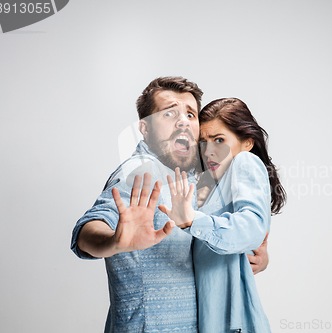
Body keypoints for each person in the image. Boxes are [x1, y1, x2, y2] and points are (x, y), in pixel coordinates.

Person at [70, 77, 268, 332]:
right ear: (145, 128)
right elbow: (88, 229)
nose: (183, 120)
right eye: (169, 113)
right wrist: (113, 241)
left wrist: (256, 251)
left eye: (190, 114)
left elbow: (235, 223)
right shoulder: (141, 170)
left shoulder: (191, 176)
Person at [160, 98, 286, 333]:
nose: (209, 151)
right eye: (204, 142)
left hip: (233, 323)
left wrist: (193, 221)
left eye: (220, 140)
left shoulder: (244, 161)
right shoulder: (209, 184)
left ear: (247, 142)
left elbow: (251, 226)